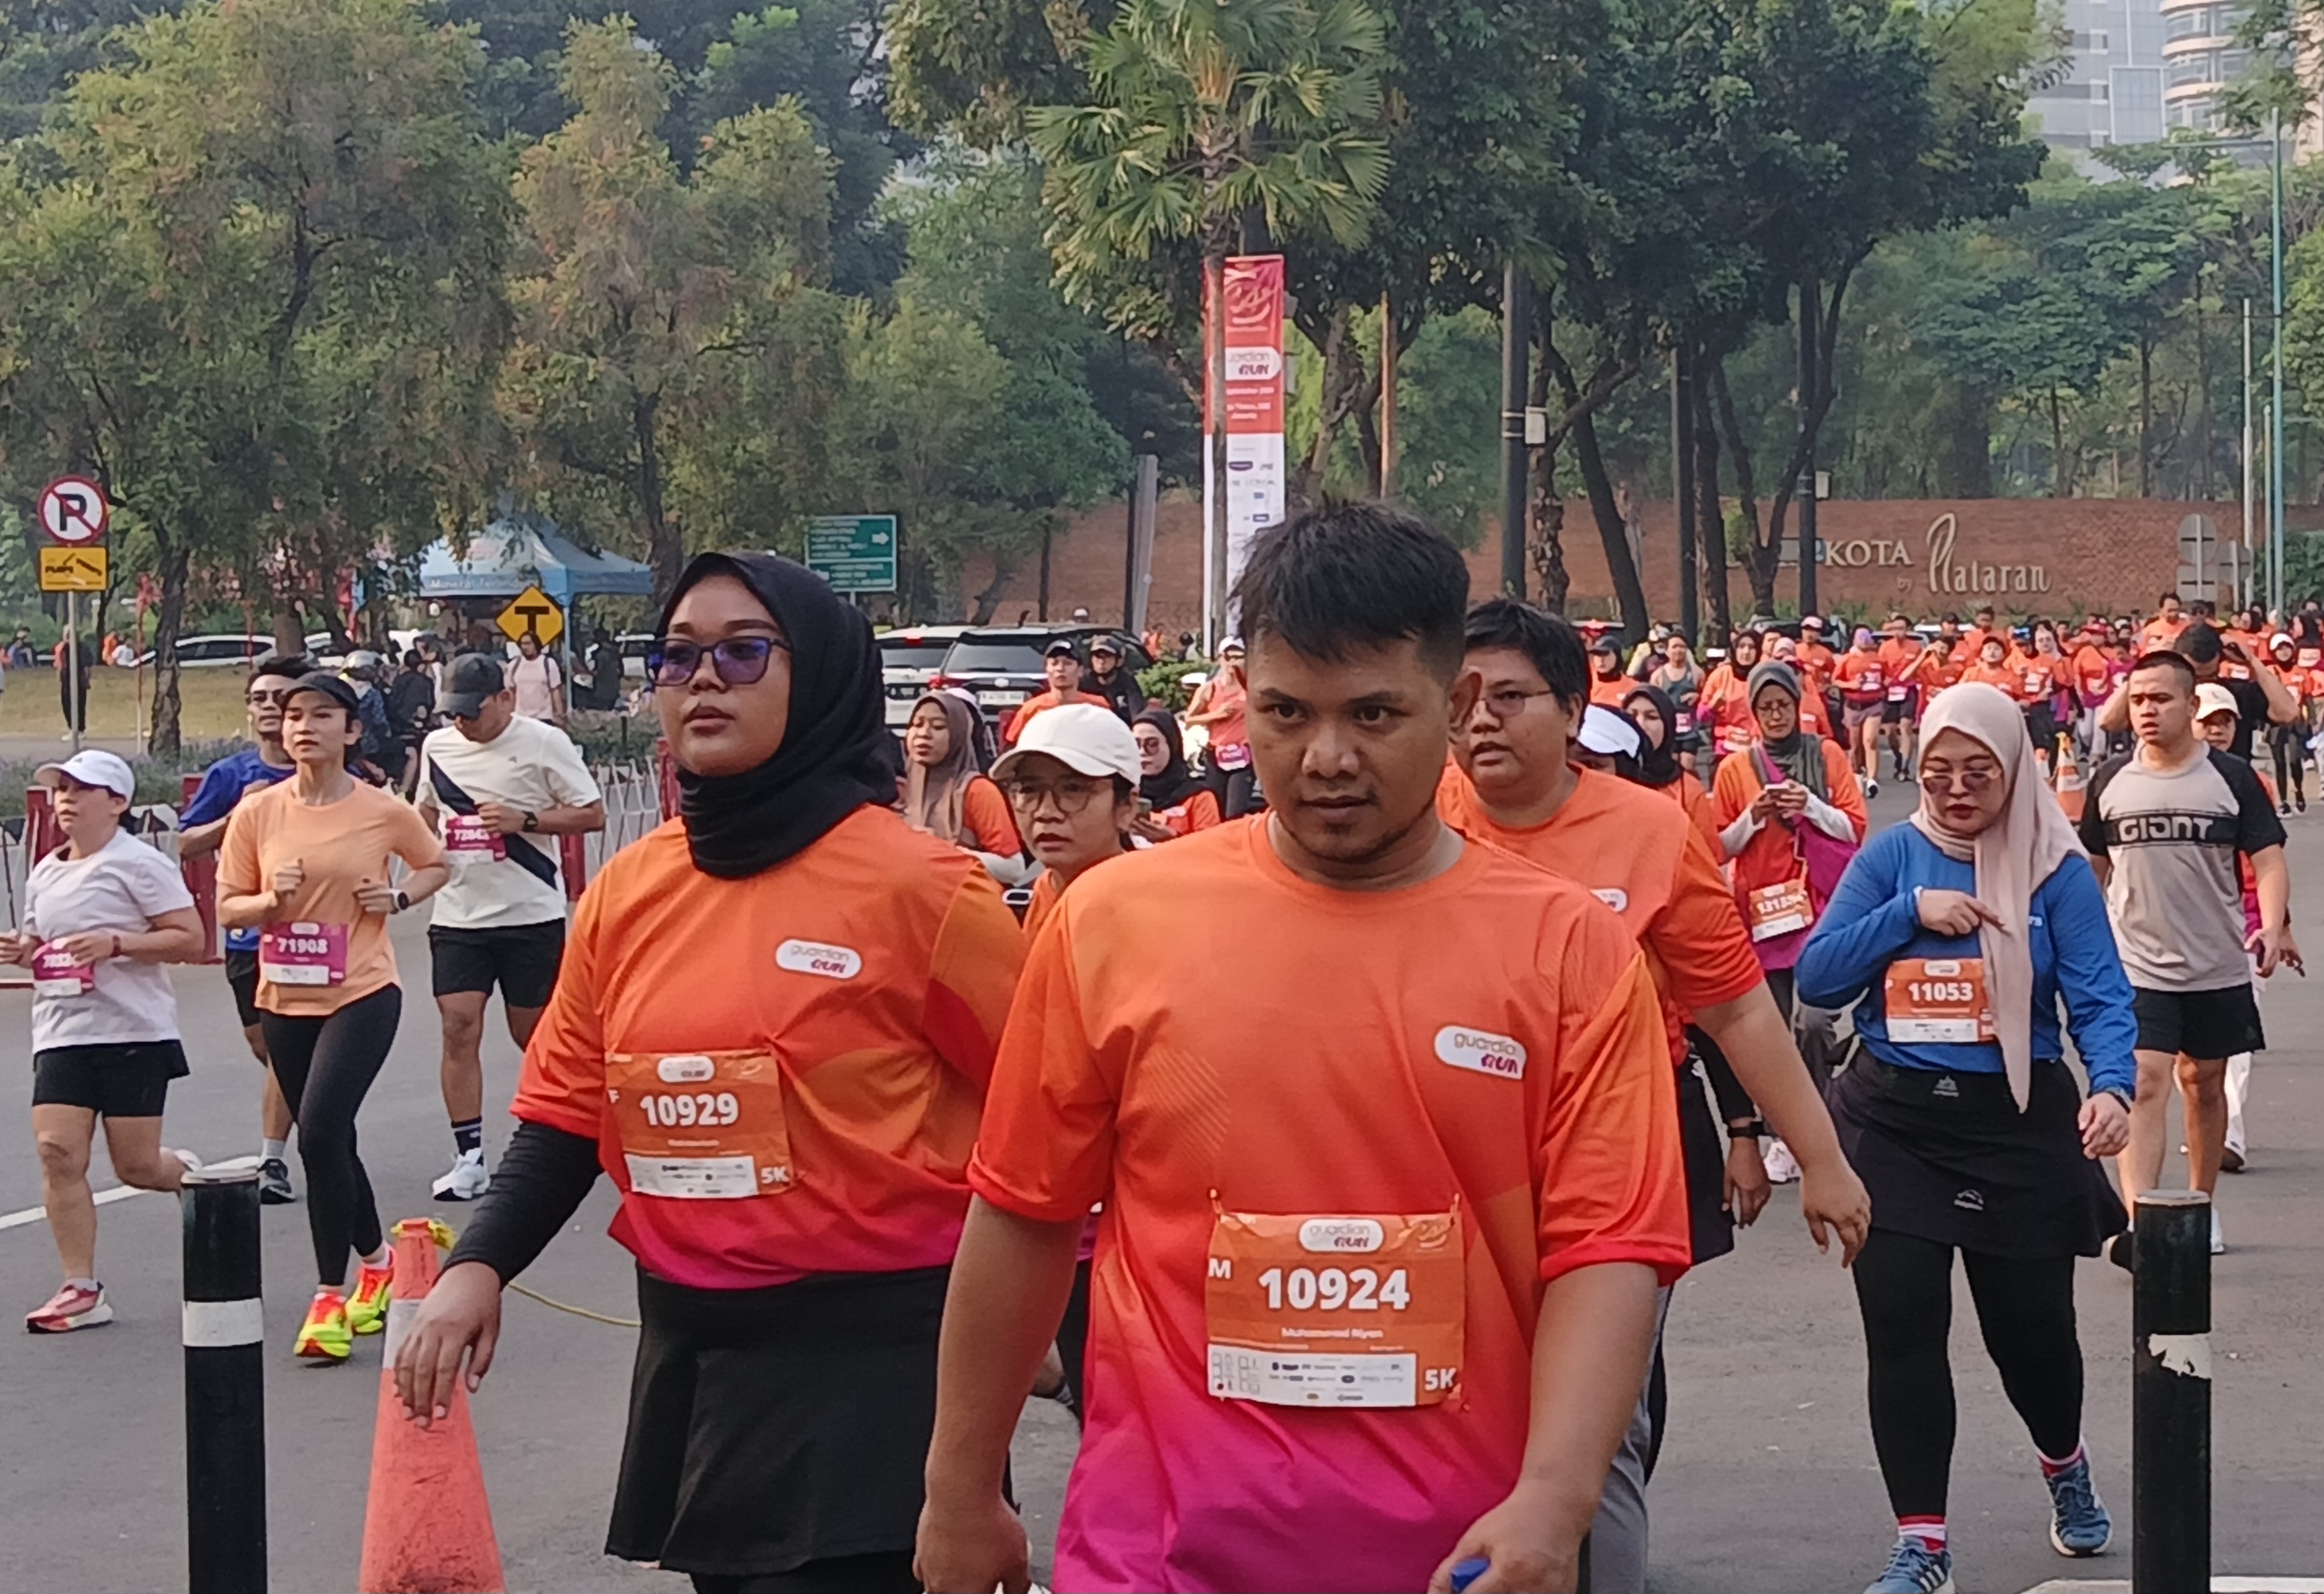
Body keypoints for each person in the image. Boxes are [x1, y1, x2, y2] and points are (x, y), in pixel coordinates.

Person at [915, 501, 1690, 1594]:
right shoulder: (1114, 921)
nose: (1325, 757)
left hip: (1461, 1558)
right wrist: (958, 1491)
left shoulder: (1569, 950)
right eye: (1286, 712)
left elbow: (1605, 1252)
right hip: (1157, 1553)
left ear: (1456, 702)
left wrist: (1553, 1505)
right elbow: (1024, 1212)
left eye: (1374, 713)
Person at [393, 551, 1025, 1594]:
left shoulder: (926, 889)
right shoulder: (630, 890)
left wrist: (1065, 1340)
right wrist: (478, 1266)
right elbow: (563, 1113)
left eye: (743, 651)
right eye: (676, 655)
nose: (703, 679)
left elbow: (1049, 1132)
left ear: (817, 674)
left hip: (880, 1367)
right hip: (695, 1350)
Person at [1441, 599, 1870, 1593]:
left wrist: (1820, 1159)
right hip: (1445, 1183)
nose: (1479, 723)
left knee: (1602, 1433)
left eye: (1508, 698)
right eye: (1458, 701)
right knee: (1456, 1415)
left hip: (1609, 1185)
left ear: (1569, 705)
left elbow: (1738, 1012)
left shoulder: (1647, 830)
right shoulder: (1416, 819)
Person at [1797, 683, 2134, 1594]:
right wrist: (1909, 914)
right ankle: (1924, 1543)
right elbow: (1820, 978)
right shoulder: (1891, 857)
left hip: (2014, 1128)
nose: (1954, 788)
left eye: (1977, 771)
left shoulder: (2054, 869)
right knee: (1901, 1326)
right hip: (1891, 1122)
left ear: (2014, 769)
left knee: (2032, 1338)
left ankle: (2063, 1460)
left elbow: (2100, 995)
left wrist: (2112, 1087)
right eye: (1938, 770)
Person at [218, 671, 452, 1360]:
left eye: (322, 716)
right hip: (285, 994)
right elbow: (228, 904)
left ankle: (330, 1293)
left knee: (317, 1129)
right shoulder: (258, 812)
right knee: (332, 1140)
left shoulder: (381, 808)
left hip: (362, 990)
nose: (303, 727)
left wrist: (398, 898)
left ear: (350, 731)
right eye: (293, 716)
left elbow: (435, 865)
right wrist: (267, 902)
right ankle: (380, 1260)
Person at [2080, 650, 2295, 1260]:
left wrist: (2274, 925)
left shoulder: (2229, 778)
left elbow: (2269, 856)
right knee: (2145, 1080)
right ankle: (2141, 1218)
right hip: (2136, 964)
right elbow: (2090, 868)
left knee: (2202, 1084)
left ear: (2190, 705)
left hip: (2216, 962)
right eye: (2139, 699)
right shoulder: (2112, 780)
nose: (2148, 710)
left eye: (2162, 699)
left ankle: (2200, 1207)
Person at [8, 751, 207, 1331]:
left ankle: (184, 1173)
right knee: (57, 1152)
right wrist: (23, 951)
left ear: (116, 802)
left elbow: (189, 938)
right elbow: (43, 941)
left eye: (80, 789)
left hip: (133, 1031)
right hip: (62, 1030)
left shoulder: (138, 864)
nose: (65, 799)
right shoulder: (46, 869)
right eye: (59, 789)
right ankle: (81, 1286)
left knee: (137, 1167)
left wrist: (117, 944)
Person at [413, 653, 606, 1202]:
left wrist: (526, 821)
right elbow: (424, 813)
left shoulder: (544, 742)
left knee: (537, 1037)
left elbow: (592, 814)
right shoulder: (437, 747)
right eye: (453, 713)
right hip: (457, 913)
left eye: (472, 712)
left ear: (506, 698)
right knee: (458, 1025)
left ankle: (576, 1134)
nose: (462, 724)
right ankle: (469, 1156)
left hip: (528, 913)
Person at [177, 653, 310, 1203]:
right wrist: (238, 817)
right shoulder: (231, 775)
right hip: (246, 934)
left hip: (309, 937)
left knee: (284, 1048)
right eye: (259, 699)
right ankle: (321, 1120)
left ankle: (273, 1160)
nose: (269, 709)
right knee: (268, 1047)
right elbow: (185, 842)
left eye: (281, 699)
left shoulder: (329, 773)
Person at [1711, 660, 1869, 1024]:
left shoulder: (1827, 754)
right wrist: (1753, 816)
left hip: (1820, 901)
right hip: (1762, 907)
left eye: (1783, 704)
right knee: (1774, 1022)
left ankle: (1817, 1079)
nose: (1776, 715)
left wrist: (1810, 805)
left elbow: (1854, 829)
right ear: (1753, 712)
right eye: (1765, 707)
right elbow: (1720, 848)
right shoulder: (1733, 769)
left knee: (1814, 1022)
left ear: (1796, 704)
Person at [901, 690, 1025, 863]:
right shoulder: (899, 787)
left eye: (938, 726)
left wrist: (947, 851)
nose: (924, 733)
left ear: (958, 735)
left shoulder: (976, 790)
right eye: (917, 724)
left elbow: (1013, 867)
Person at [1622, 683, 1720, 849]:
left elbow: (1709, 853)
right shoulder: (1608, 778)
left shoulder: (1688, 790)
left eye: (1651, 717)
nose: (1640, 724)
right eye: (1631, 716)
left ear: (1668, 725)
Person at [1185, 636, 1256, 816]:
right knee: (1216, 809)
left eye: (1237, 656)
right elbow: (1189, 719)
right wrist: (1216, 714)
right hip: (1216, 754)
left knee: (1235, 812)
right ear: (1220, 659)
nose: (1232, 662)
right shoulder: (1209, 689)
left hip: (1243, 755)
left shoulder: (1251, 689)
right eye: (1227, 656)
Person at [1130, 708, 1222, 840]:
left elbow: (1210, 849)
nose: (1142, 752)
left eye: (1152, 744)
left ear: (1172, 745)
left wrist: (1172, 839)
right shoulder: (1124, 794)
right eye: (1136, 744)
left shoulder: (1198, 797)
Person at [1002, 640, 1102, 747]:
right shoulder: (1031, 710)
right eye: (1054, 663)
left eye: (1068, 663)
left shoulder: (1098, 707)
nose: (1060, 668)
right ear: (1046, 670)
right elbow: (1012, 748)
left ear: (1080, 670)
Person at [1834, 627, 1890, 797]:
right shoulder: (1847, 659)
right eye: (1861, 637)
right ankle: (1857, 774)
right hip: (1853, 705)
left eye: (1867, 637)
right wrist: (1850, 685)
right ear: (1854, 640)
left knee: (1870, 740)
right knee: (1855, 744)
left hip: (1873, 704)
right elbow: (1835, 680)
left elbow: (1887, 677)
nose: (1865, 640)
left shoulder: (1878, 659)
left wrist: (1884, 686)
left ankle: (1872, 779)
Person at [1696, 628, 1764, 764]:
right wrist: (1712, 707)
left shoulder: (1764, 677)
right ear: (1734, 649)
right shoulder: (1719, 676)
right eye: (1741, 646)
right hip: (1725, 749)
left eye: (1751, 647)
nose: (1746, 652)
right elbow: (1700, 717)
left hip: (1756, 750)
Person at [1649, 634, 1706, 775]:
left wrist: (1697, 697)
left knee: (1688, 768)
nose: (1679, 650)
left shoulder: (1697, 673)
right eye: (1674, 646)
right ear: (1667, 651)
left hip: (1690, 731)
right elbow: (1652, 702)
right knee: (1672, 768)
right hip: (1669, 730)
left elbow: (1707, 698)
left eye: (1682, 647)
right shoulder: (1658, 676)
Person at [1082, 635, 1147, 722]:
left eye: (1107, 656)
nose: (1101, 662)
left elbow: (1137, 715)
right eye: (1097, 656)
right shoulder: (1082, 681)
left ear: (1119, 661)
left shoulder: (1127, 684)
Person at [508, 631, 565, 726]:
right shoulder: (514, 665)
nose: (524, 647)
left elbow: (555, 691)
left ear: (536, 644)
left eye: (528, 643)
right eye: (522, 644)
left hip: (543, 718)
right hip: (521, 718)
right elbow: (511, 692)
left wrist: (560, 714)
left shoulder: (548, 663)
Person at [55, 631, 93, 737]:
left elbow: (86, 666)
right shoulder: (64, 648)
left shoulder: (81, 648)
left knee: (78, 703)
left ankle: (80, 729)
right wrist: (59, 675)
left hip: (78, 678)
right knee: (66, 703)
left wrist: (86, 679)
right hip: (66, 679)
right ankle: (72, 728)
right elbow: (61, 664)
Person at [2137, 592, 2188, 656]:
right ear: (2161, 609)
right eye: (2170, 610)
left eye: (2176, 610)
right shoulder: (2150, 630)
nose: (2173, 613)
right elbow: (2139, 651)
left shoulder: (2189, 627)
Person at [1587, 634, 1632, 705]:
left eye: (1605, 654)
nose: (1601, 659)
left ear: (1617, 656)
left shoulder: (1632, 687)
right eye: (1597, 654)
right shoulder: (1586, 684)